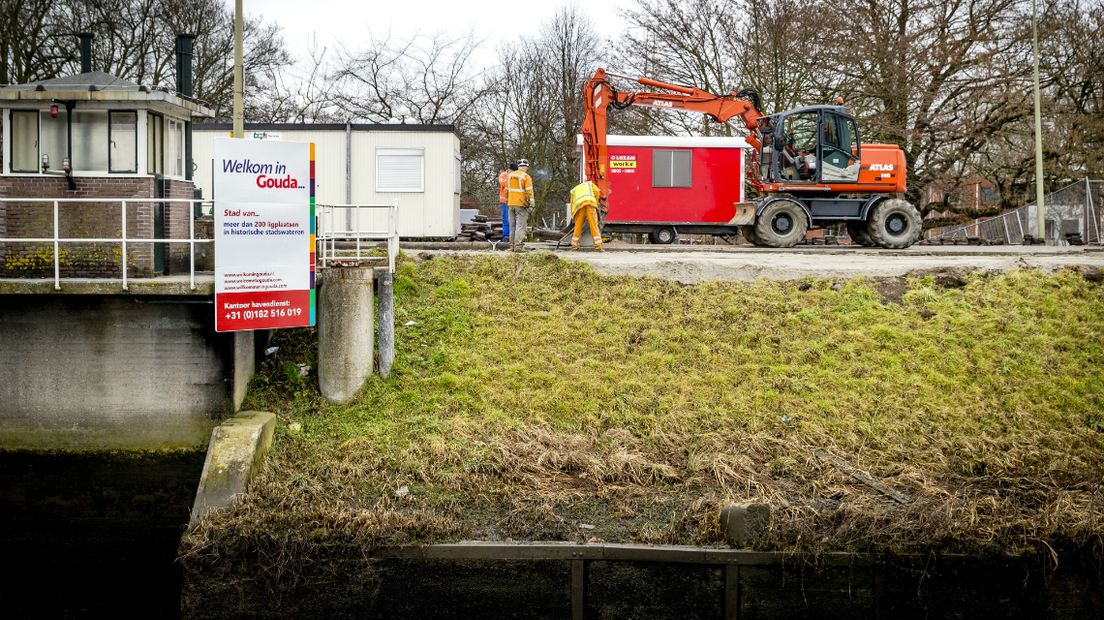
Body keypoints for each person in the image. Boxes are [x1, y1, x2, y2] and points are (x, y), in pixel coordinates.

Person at [505, 158, 535, 249]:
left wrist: (508, 202)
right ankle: (518, 247)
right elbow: (529, 192)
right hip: (521, 205)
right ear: (526, 167)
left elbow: (506, 191)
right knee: (520, 226)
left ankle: (512, 246)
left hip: (510, 204)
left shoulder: (510, 176)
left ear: (518, 166)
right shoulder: (526, 177)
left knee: (512, 226)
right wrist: (531, 205)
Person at [568, 179, 604, 251]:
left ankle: (574, 246)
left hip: (579, 207)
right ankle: (598, 246)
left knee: (578, 226)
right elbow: (597, 191)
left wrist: (573, 216)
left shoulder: (574, 190)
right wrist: (595, 201)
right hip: (590, 205)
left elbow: (572, 203)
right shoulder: (589, 184)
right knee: (593, 225)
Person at [497, 162, 517, 242]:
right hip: (505, 202)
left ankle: (513, 237)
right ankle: (506, 236)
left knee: (514, 220)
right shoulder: (503, 175)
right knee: (506, 220)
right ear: (509, 170)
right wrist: (510, 176)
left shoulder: (516, 175)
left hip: (514, 201)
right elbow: (503, 183)